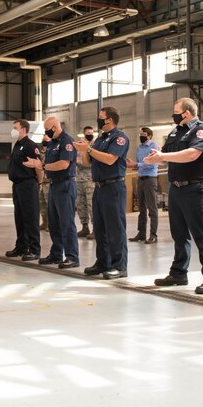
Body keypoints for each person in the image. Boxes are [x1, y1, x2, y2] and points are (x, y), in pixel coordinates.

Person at [147, 98, 203, 292]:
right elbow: (166, 156)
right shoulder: (175, 131)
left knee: (202, 234)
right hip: (177, 189)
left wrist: (163, 157)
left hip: (196, 189)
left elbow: (191, 154)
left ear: (187, 113)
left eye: (176, 111)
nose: (174, 114)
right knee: (179, 234)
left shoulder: (201, 131)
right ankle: (178, 273)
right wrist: (157, 158)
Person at [77, 106, 129, 279]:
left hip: (114, 187)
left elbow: (109, 159)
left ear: (109, 120)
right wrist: (84, 150)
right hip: (99, 187)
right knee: (100, 227)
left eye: (101, 117)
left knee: (115, 227)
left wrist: (89, 149)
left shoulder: (119, 138)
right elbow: (88, 163)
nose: (98, 119)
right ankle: (103, 262)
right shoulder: (100, 139)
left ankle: (119, 266)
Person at [37, 116, 80, 269]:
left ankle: (72, 256)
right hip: (54, 185)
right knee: (53, 222)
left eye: (47, 129)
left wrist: (42, 166)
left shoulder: (66, 141)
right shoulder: (52, 143)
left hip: (65, 185)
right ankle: (56, 254)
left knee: (66, 222)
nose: (46, 132)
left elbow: (63, 164)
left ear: (54, 127)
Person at [6, 120, 41, 261]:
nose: (13, 130)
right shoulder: (18, 145)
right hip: (18, 185)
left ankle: (34, 249)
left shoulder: (30, 146)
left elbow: (38, 166)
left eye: (16, 128)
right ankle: (21, 247)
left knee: (30, 218)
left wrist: (38, 183)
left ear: (24, 130)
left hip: (28, 185)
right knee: (19, 218)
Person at [128, 126, 160, 244]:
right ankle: (141, 233)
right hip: (140, 179)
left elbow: (152, 164)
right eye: (140, 134)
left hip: (150, 179)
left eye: (144, 134)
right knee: (141, 209)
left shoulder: (153, 146)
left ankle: (153, 235)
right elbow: (138, 164)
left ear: (150, 136)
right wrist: (133, 165)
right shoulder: (139, 148)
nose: (141, 136)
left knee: (152, 208)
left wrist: (137, 164)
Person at [76, 125, 96, 238]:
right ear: (84, 133)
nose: (90, 134)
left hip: (90, 180)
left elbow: (90, 162)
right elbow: (75, 159)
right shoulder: (79, 145)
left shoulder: (95, 145)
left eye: (91, 132)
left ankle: (96, 229)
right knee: (80, 205)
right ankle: (85, 227)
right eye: (88, 132)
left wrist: (82, 161)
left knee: (91, 205)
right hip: (79, 180)